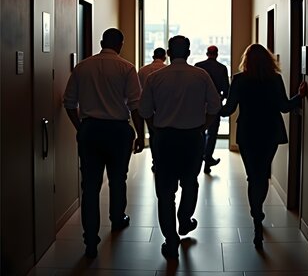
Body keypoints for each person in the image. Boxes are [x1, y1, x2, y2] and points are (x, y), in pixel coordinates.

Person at [63, 28, 144, 258]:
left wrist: (82, 128)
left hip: (91, 130)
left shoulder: (82, 66)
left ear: (101, 42)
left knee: (90, 186)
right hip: (118, 131)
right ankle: (117, 219)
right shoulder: (126, 68)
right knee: (118, 178)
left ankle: (90, 240)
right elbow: (135, 105)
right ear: (120, 44)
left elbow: (69, 103)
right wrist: (139, 134)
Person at [139, 35, 221, 260]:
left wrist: (154, 130)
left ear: (168, 51)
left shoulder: (155, 78)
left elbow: (145, 111)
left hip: (164, 139)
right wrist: (201, 127)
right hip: (192, 138)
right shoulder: (200, 76)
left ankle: (171, 239)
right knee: (190, 182)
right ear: (188, 51)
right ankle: (185, 220)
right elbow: (215, 107)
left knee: (165, 192)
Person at [220, 43, 307, 250]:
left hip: (248, 133)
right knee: (263, 174)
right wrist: (300, 96)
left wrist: (210, 104)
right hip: (270, 132)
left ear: (246, 60)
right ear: (268, 60)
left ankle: (256, 215)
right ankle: (258, 214)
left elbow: (228, 110)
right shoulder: (274, 79)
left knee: (252, 176)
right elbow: (285, 107)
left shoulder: (239, 79)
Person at [195, 45, 230, 174]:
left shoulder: (198, 66)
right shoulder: (222, 68)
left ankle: (199, 158)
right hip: (215, 104)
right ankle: (208, 160)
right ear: (217, 54)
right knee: (212, 133)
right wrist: (222, 100)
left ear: (206, 53)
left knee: (200, 132)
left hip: (199, 104)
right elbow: (226, 89)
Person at [138, 47, 167, 172]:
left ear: (153, 56)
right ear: (165, 57)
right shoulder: (167, 70)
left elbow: (138, 91)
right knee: (165, 137)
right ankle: (164, 162)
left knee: (153, 135)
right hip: (164, 109)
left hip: (148, 109)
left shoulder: (142, 70)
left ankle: (155, 161)